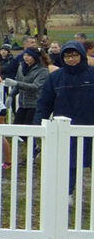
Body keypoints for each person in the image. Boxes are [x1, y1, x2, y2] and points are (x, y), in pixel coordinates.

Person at [35, 41, 94, 201]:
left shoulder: (92, 74)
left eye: (74, 55)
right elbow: (44, 103)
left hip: (90, 126)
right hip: (65, 129)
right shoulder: (56, 77)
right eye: (67, 56)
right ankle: (67, 195)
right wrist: (37, 126)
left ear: (81, 55)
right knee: (68, 164)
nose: (71, 59)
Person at [4, 48, 50, 125]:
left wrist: (17, 83)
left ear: (35, 57)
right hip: (22, 104)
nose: (26, 57)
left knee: (28, 130)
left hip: (34, 105)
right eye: (24, 55)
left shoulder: (42, 71)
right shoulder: (21, 67)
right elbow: (18, 84)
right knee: (17, 128)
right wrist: (11, 95)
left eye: (29, 55)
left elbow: (35, 86)